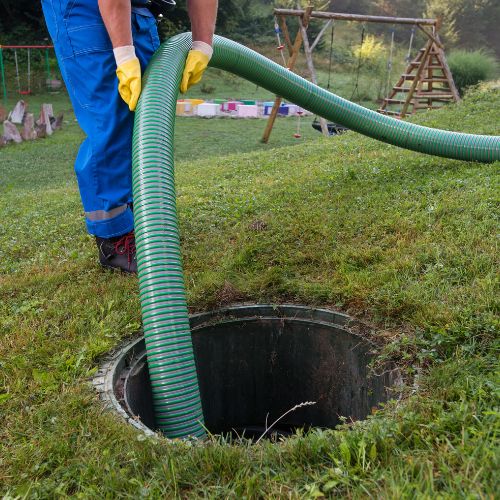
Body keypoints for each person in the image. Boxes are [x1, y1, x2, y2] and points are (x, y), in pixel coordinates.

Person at [41, 0, 218, 273]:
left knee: (145, 114)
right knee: (110, 115)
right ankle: (114, 238)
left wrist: (203, 45)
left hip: (139, 9)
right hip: (81, 9)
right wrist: (124, 55)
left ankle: (140, 220)